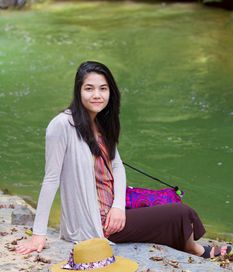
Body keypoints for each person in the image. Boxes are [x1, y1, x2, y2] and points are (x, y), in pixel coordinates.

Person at [16, 61, 231, 259]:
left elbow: (117, 166)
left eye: (103, 88)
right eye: (89, 88)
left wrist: (118, 206)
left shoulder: (101, 122)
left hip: (116, 207)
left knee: (169, 199)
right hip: (97, 222)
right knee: (181, 213)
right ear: (78, 91)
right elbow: (51, 179)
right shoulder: (62, 125)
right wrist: (38, 234)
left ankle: (181, 239)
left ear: (111, 91)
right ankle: (194, 249)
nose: (97, 95)